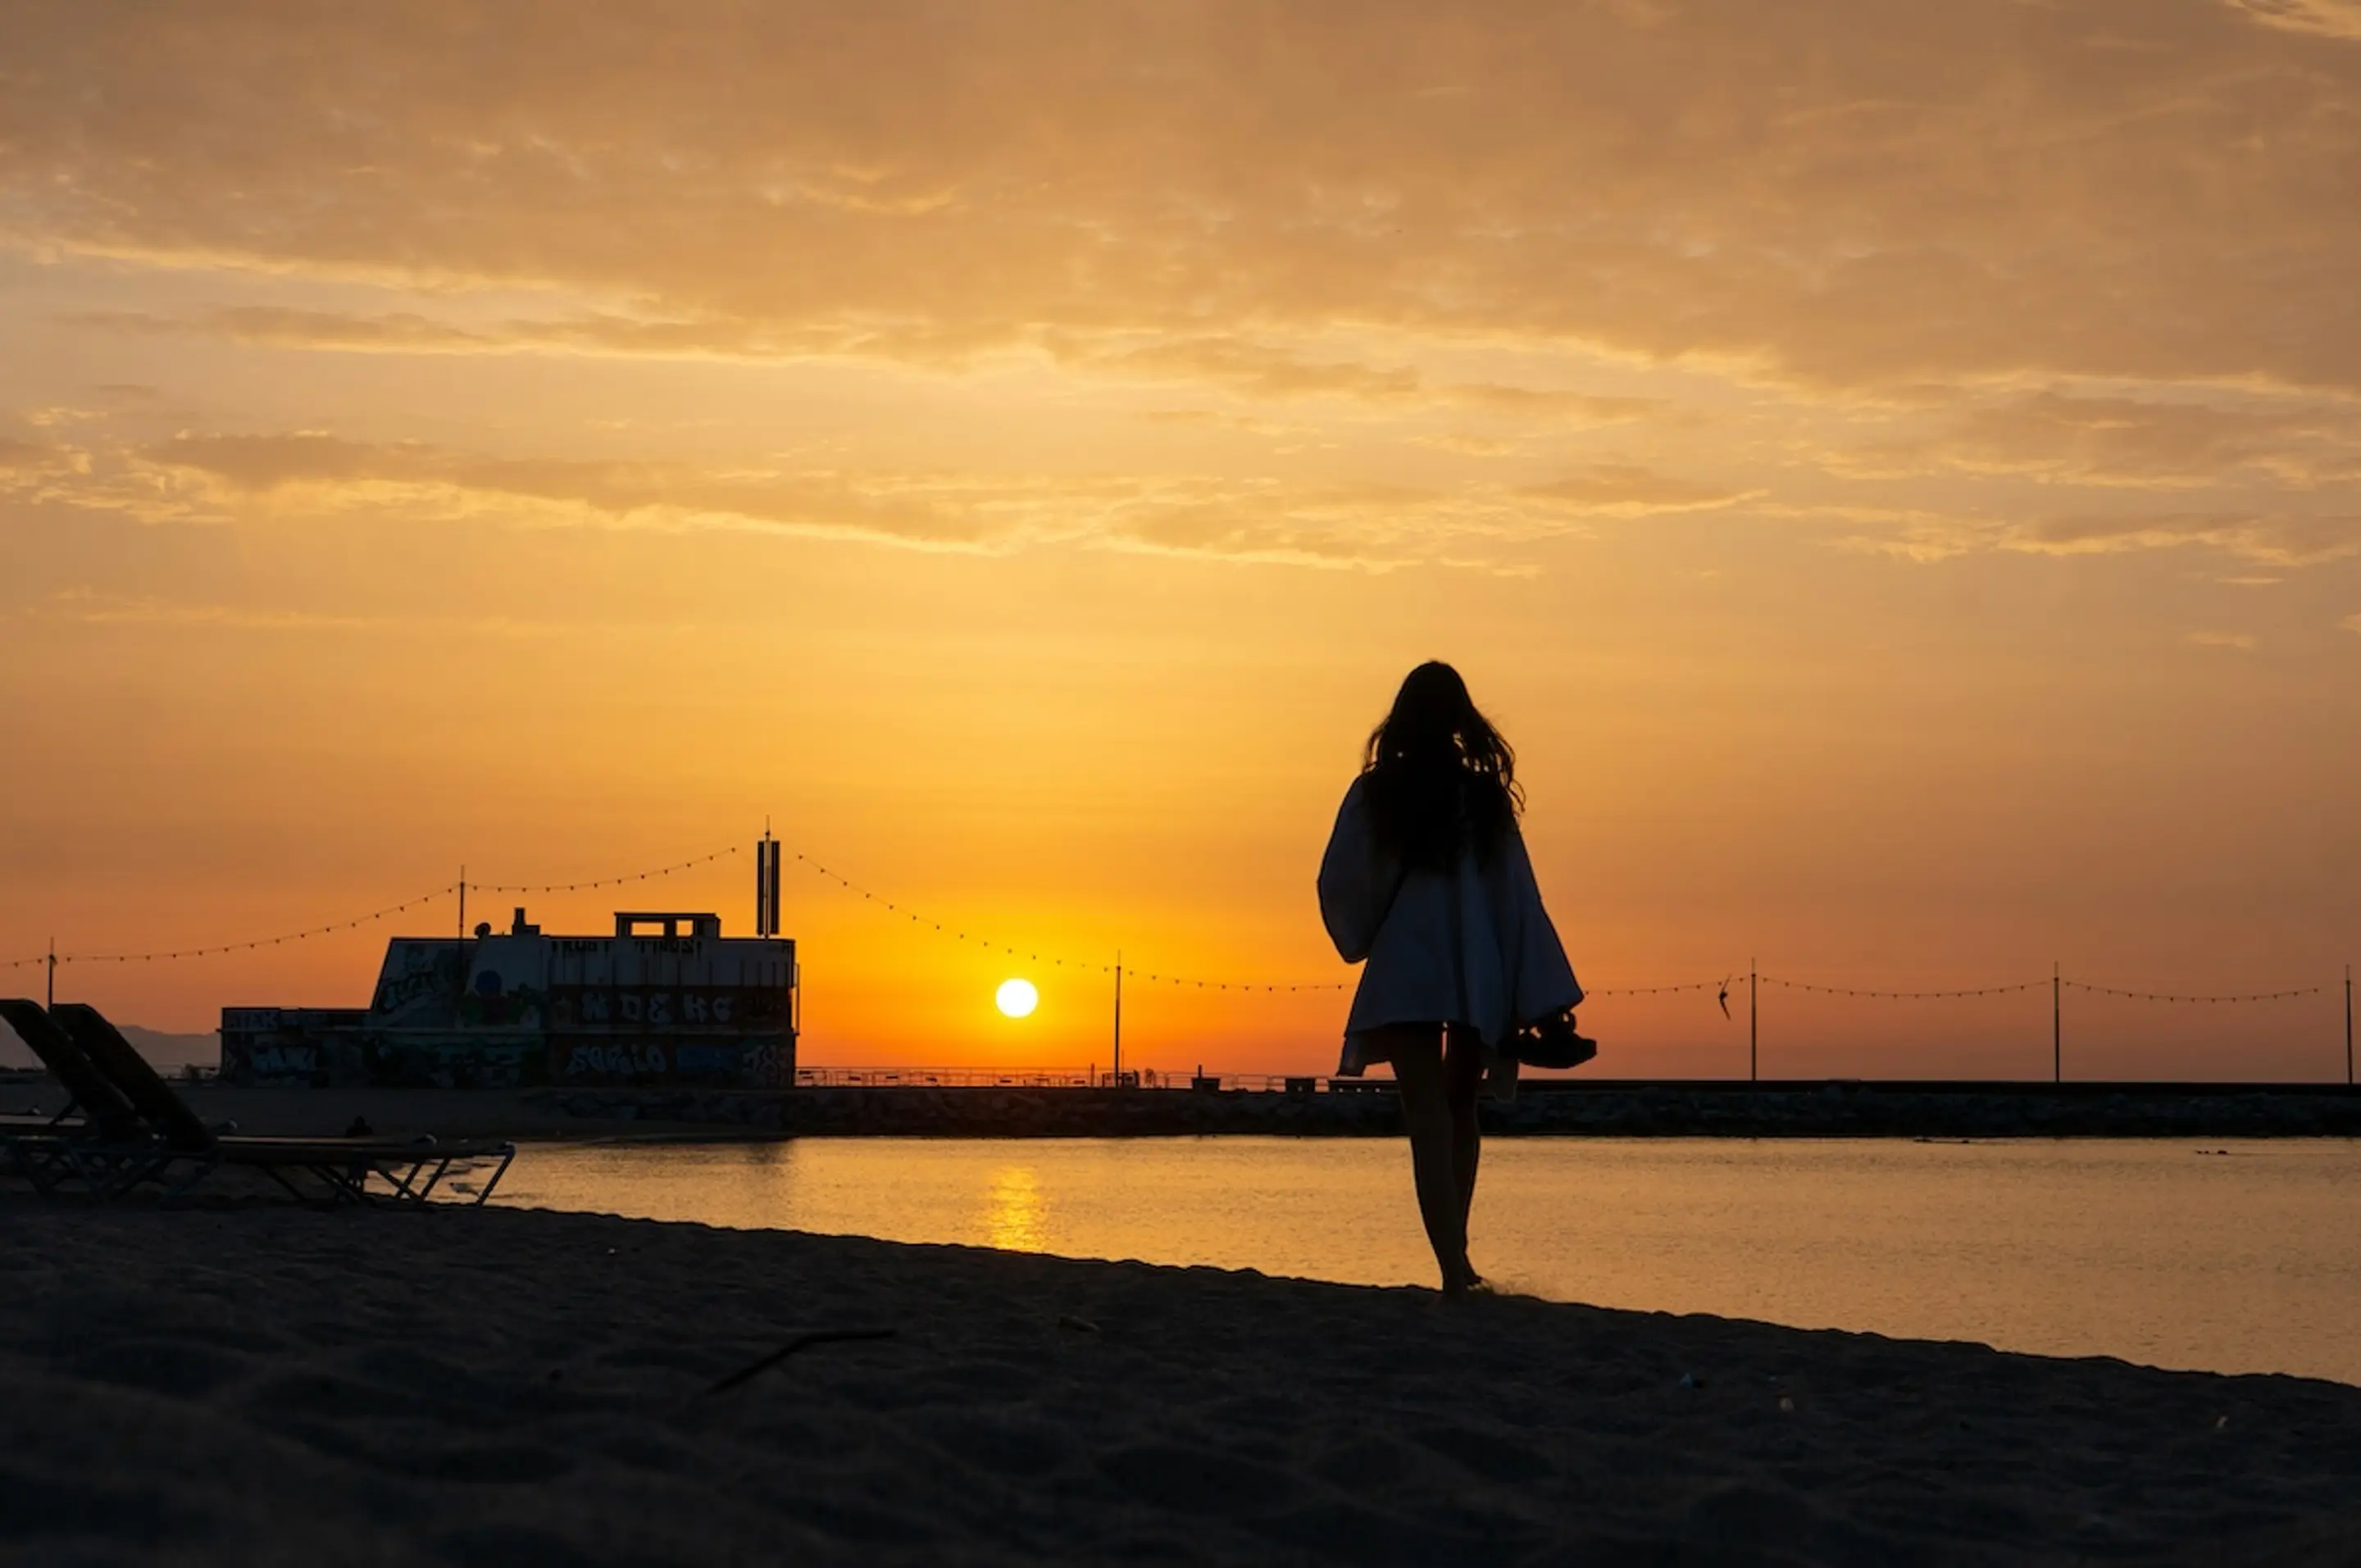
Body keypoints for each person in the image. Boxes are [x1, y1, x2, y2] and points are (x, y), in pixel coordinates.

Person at [1317, 661, 1584, 1295]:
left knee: (1428, 1115)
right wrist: (1534, 986)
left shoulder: (1378, 791)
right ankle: (1457, 1261)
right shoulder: (1482, 799)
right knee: (1461, 1108)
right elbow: (1518, 896)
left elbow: (1343, 878)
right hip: (1474, 966)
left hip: (1409, 965)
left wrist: (1365, 930)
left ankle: (1451, 1265)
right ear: (1461, 718)